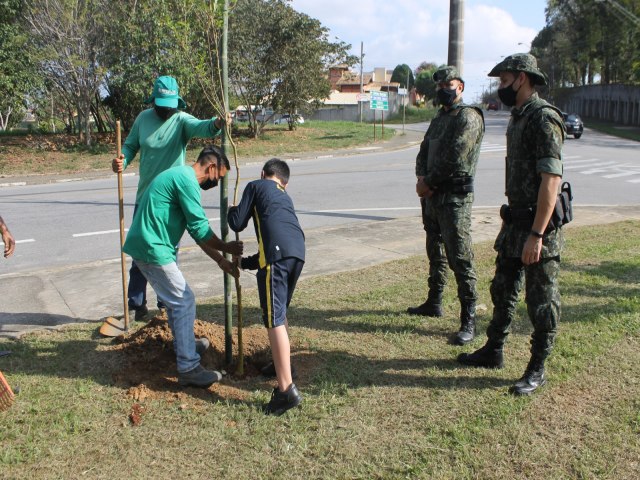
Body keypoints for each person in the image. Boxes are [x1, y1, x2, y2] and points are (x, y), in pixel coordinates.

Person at [457, 53, 566, 396]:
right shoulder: (518, 117)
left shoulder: (543, 118)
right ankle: (494, 350)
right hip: (514, 221)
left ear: (522, 78)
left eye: (504, 81)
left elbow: (551, 180)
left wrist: (537, 234)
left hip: (537, 227)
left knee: (541, 301)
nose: (500, 87)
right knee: (503, 290)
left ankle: (537, 368)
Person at [122, 145, 243, 388]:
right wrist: (226, 248)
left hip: (150, 245)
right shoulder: (187, 182)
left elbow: (194, 232)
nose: (217, 183)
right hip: (152, 248)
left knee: (178, 301)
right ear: (211, 167)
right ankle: (188, 367)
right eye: (218, 177)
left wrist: (220, 260)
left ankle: (184, 344)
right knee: (184, 299)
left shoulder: (179, 175)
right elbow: (200, 229)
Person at [112, 75, 230, 321]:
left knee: (167, 252)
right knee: (140, 251)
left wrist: (218, 123)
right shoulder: (143, 119)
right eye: (162, 105)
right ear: (154, 101)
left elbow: (204, 126)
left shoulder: (180, 120)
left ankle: (165, 303)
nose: (167, 110)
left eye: (170, 105)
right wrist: (122, 158)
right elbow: (131, 145)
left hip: (173, 198)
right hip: (146, 195)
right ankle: (137, 304)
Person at [407, 66, 485, 346]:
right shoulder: (439, 118)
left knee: (460, 258)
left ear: (460, 86)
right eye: (439, 85)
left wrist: (428, 182)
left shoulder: (469, 116)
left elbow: (456, 158)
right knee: (435, 251)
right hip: (432, 197)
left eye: (448, 84)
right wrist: (421, 178)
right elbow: (424, 150)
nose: (443, 89)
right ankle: (434, 301)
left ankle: (469, 319)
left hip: (454, 200)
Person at [228, 158, 305, 416]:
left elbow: (237, 223)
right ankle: (281, 364)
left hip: (277, 256)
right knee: (279, 314)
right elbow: (267, 251)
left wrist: (231, 209)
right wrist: (245, 263)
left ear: (264, 174)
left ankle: (286, 390)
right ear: (284, 182)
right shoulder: (284, 197)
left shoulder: (257, 185)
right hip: (297, 254)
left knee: (274, 319)